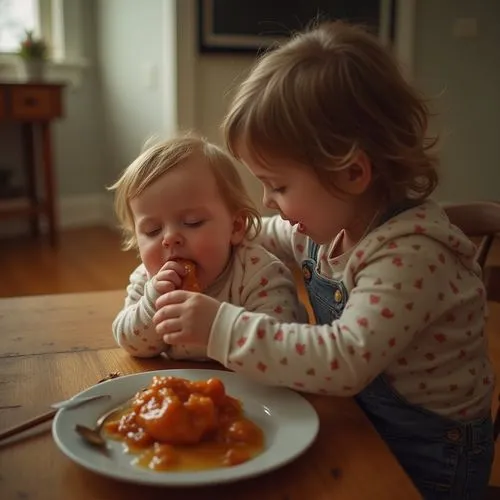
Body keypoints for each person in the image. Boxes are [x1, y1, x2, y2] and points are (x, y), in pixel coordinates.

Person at [152, 22, 494, 498]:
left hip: (429, 450)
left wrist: (220, 327)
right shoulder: (324, 226)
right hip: (358, 416)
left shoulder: (411, 256)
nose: (268, 202)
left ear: (352, 173)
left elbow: (342, 358)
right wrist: (204, 236)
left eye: (279, 185)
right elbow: (261, 232)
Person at [109, 133, 304, 360]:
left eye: (193, 222)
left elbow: (281, 350)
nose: (170, 238)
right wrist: (152, 305)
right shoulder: (147, 281)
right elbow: (132, 345)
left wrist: (219, 326)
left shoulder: (258, 272)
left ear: (236, 227)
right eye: (152, 230)